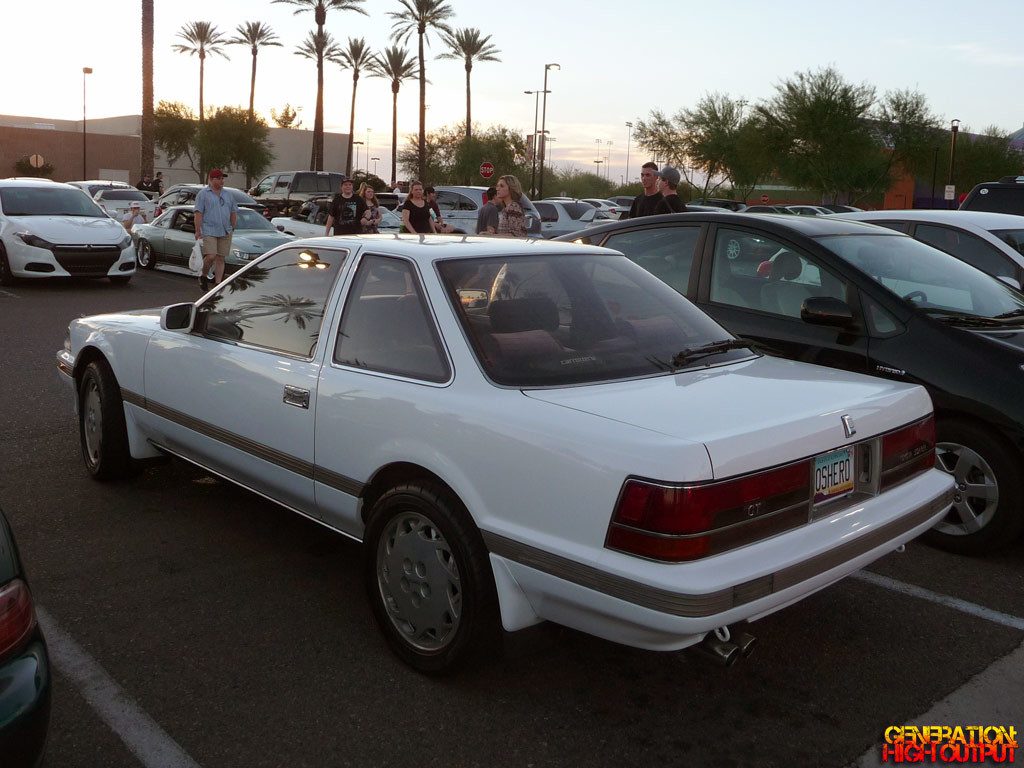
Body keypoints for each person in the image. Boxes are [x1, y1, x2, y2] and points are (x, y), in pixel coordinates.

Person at [193, 169, 238, 290]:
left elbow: (233, 212)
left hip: (225, 230)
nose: (221, 181)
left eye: (222, 178)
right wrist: (198, 230)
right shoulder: (203, 194)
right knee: (211, 256)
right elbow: (198, 213)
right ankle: (203, 275)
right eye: (219, 178)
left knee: (221, 257)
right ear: (212, 180)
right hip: (209, 230)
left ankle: (218, 284)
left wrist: (232, 227)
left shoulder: (228, 195)